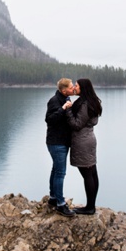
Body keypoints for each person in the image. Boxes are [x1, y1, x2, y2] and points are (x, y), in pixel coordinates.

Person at [65, 78, 102, 215]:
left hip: (82, 141)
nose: (75, 87)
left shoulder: (85, 104)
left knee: (88, 174)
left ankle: (90, 208)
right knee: (92, 172)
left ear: (83, 88)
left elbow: (77, 124)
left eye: (77, 85)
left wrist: (68, 110)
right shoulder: (91, 101)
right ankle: (91, 205)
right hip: (89, 139)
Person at [45, 78, 76, 217]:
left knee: (56, 169)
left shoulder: (66, 97)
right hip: (56, 142)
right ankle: (60, 204)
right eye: (71, 87)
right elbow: (49, 120)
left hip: (61, 141)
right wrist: (63, 109)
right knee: (60, 173)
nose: (73, 88)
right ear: (64, 90)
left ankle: (53, 198)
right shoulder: (54, 101)